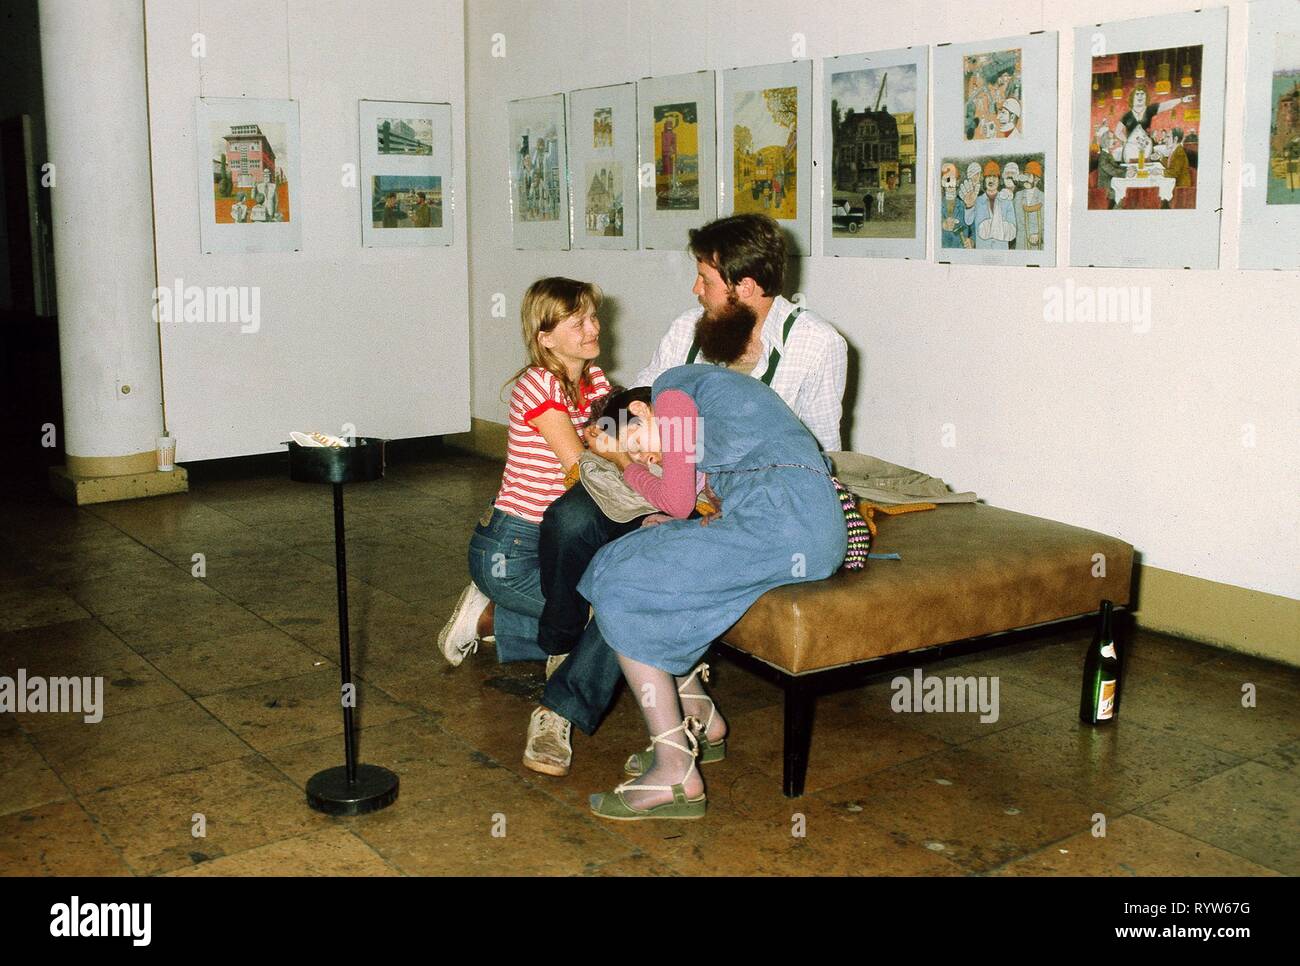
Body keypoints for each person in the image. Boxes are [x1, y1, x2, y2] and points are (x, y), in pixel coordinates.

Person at [510, 213, 847, 777]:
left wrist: (654, 473)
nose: (696, 291)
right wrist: (614, 446)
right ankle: (562, 650)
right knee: (571, 520)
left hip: (740, 501)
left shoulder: (817, 344)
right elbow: (636, 405)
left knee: (632, 570)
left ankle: (569, 709)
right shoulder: (688, 330)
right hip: (669, 476)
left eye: (706, 280)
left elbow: (825, 447)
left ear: (746, 287)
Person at [581, 366, 847, 819]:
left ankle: (675, 773)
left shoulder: (673, 393)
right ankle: (703, 723)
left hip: (784, 524)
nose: (647, 461)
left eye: (638, 446)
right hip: (800, 526)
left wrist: (621, 463)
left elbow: (677, 500)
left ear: (642, 412)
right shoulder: (706, 408)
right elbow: (690, 502)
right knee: (638, 551)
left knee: (620, 581)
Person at [436, 278, 611, 720]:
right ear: (545, 337)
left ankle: (491, 619)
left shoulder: (594, 380)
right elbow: (579, 469)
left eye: (593, 317)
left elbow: (620, 444)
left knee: (597, 616)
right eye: (578, 322)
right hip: (513, 549)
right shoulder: (539, 386)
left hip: (558, 541)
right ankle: (491, 612)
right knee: (605, 620)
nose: (593, 328)